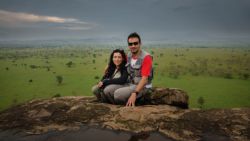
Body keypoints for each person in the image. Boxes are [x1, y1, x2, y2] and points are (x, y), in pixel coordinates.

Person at [113, 32, 153, 106]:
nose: (133, 46)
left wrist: (135, 93)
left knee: (118, 94)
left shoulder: (146, 57)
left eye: (135, 43)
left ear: (140, 44)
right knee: (107, 90)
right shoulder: (129, 55)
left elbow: (145, 79)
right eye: (130, 44)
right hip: (130, 84)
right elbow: (117, 61)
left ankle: (129, 107)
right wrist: (108, 66)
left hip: (142, 87)